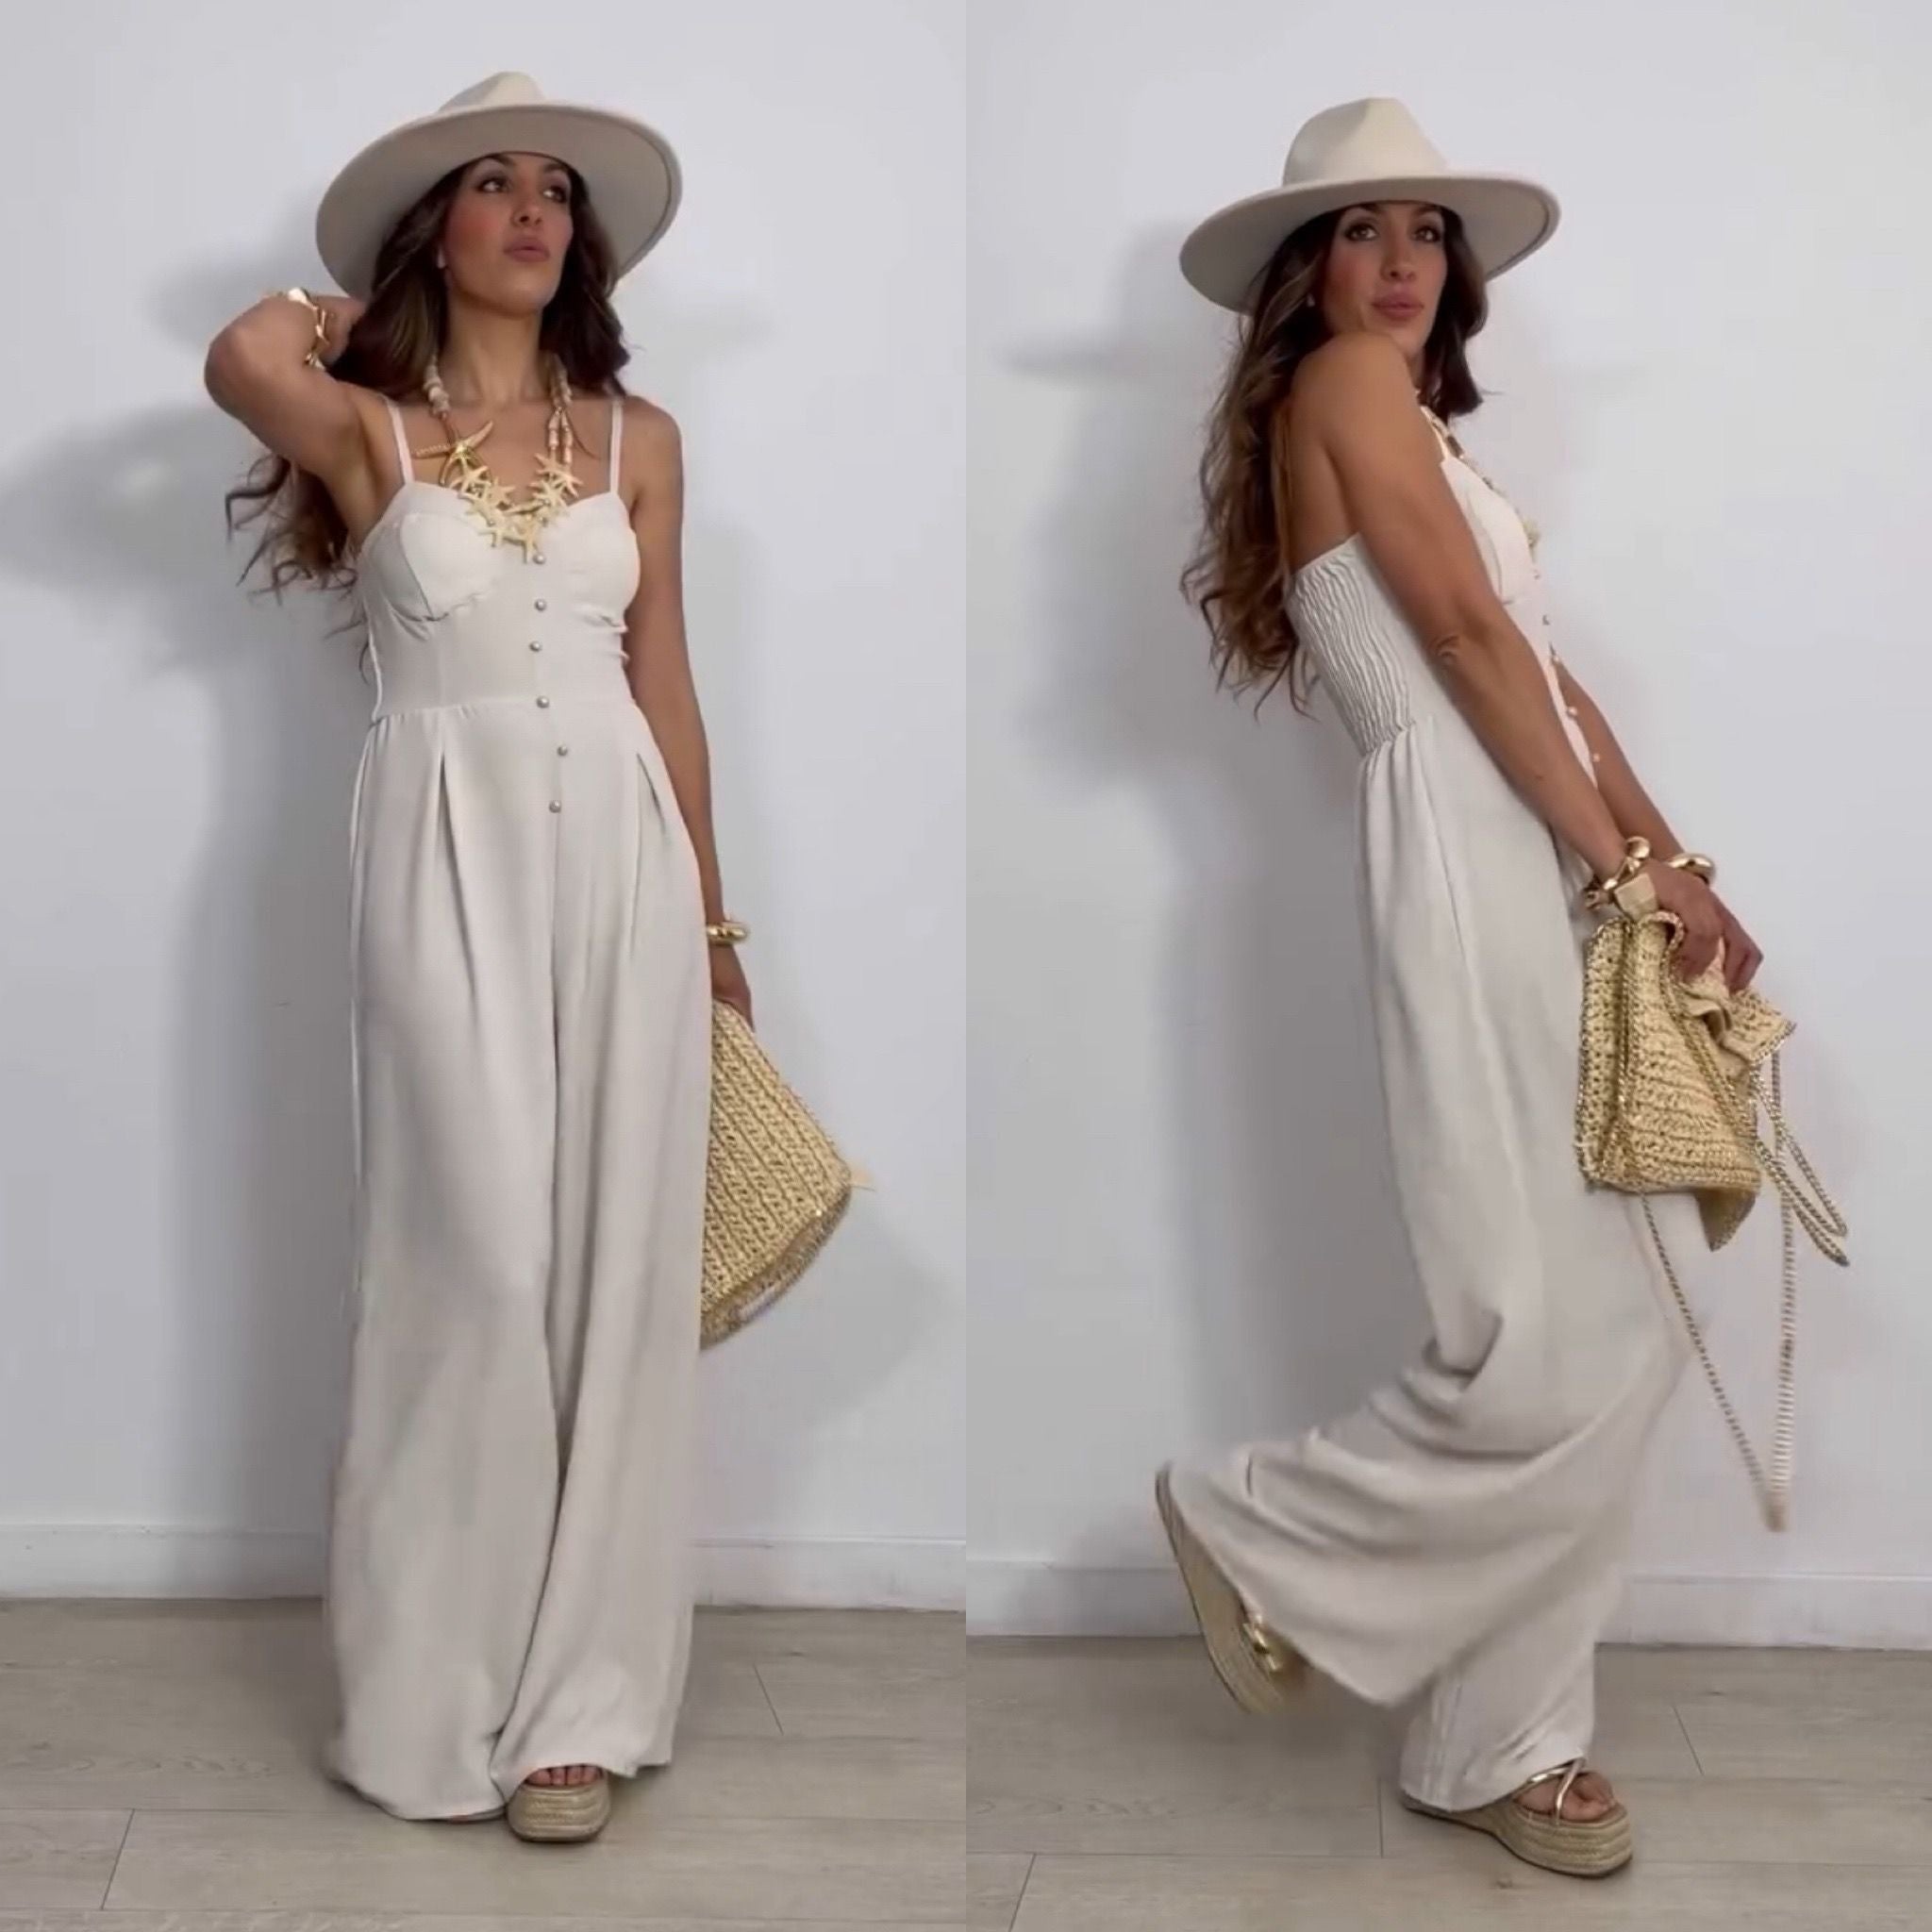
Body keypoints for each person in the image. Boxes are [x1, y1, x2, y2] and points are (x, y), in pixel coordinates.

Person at [1152, 97, 1759, 1881]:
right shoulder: (1343, 385)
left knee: (1610, 1325)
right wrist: (1620, 869)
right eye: (1364, 230)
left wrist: (1671, 859)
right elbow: (1471, 647)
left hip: (1531, 829)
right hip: (1472, 841)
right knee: (1539, 1321)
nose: (1403, 261)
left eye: (1427, 230)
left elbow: (1550, 675)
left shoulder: (1425, 428)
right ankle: (1258, 1525)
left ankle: (1497, 1740)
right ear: (1308, 270)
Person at [205, 73, 747, 1843]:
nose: (530, 213)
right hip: (440, 849)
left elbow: (668, 685)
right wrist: (345, 310)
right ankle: (437, 1690)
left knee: (613, 1274)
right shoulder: (368, 433)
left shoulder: (639, 438)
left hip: (626, 856)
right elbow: (237, 359)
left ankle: (581, 1704)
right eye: (491, 185)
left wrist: (718, 927)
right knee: (475, 1259)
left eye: (554, 192)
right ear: (435, 228)